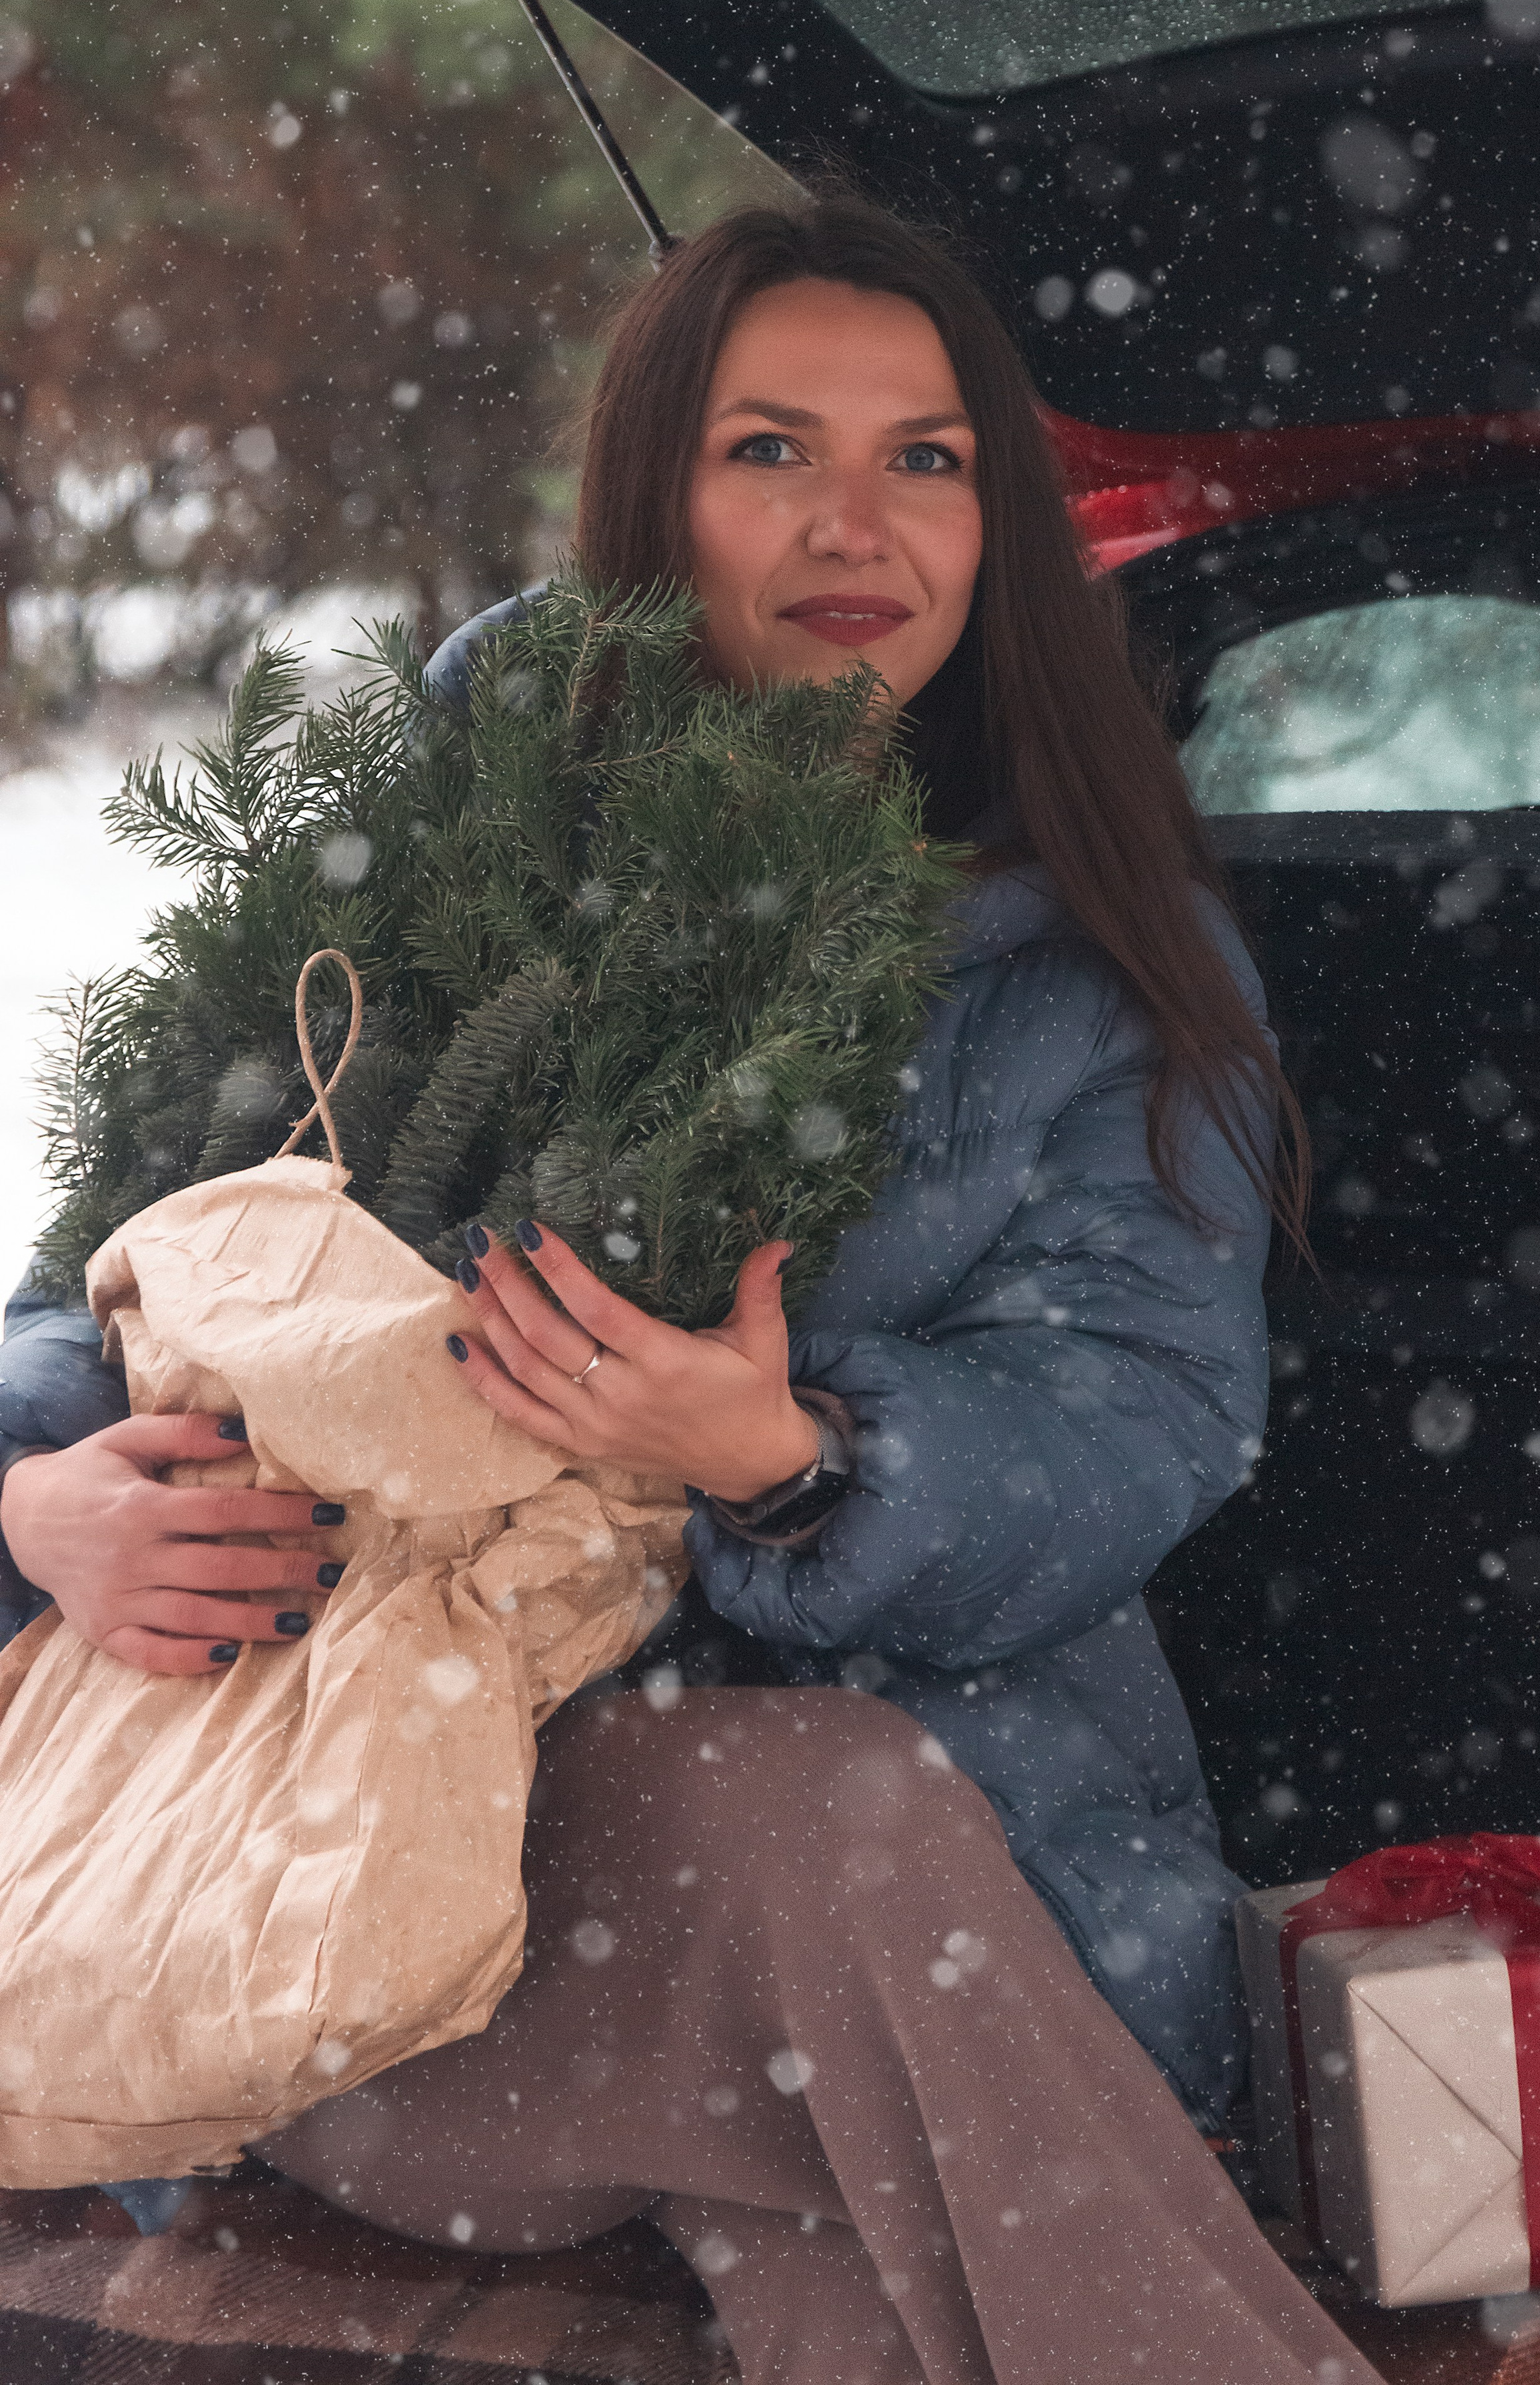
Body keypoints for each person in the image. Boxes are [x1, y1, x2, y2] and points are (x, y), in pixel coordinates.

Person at [0, 193, 1373, 2385]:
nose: (860, 520)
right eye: (773, 451)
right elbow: (138, 1268)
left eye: (927, 458)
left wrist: (800, 1462)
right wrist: (47, 1504)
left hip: (935, 1910)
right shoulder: (430, 854)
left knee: (844, 2102)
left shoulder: (1103, 944)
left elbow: (1143, 1404)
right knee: (816, 1845)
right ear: (655, 488)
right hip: (362, 1903)